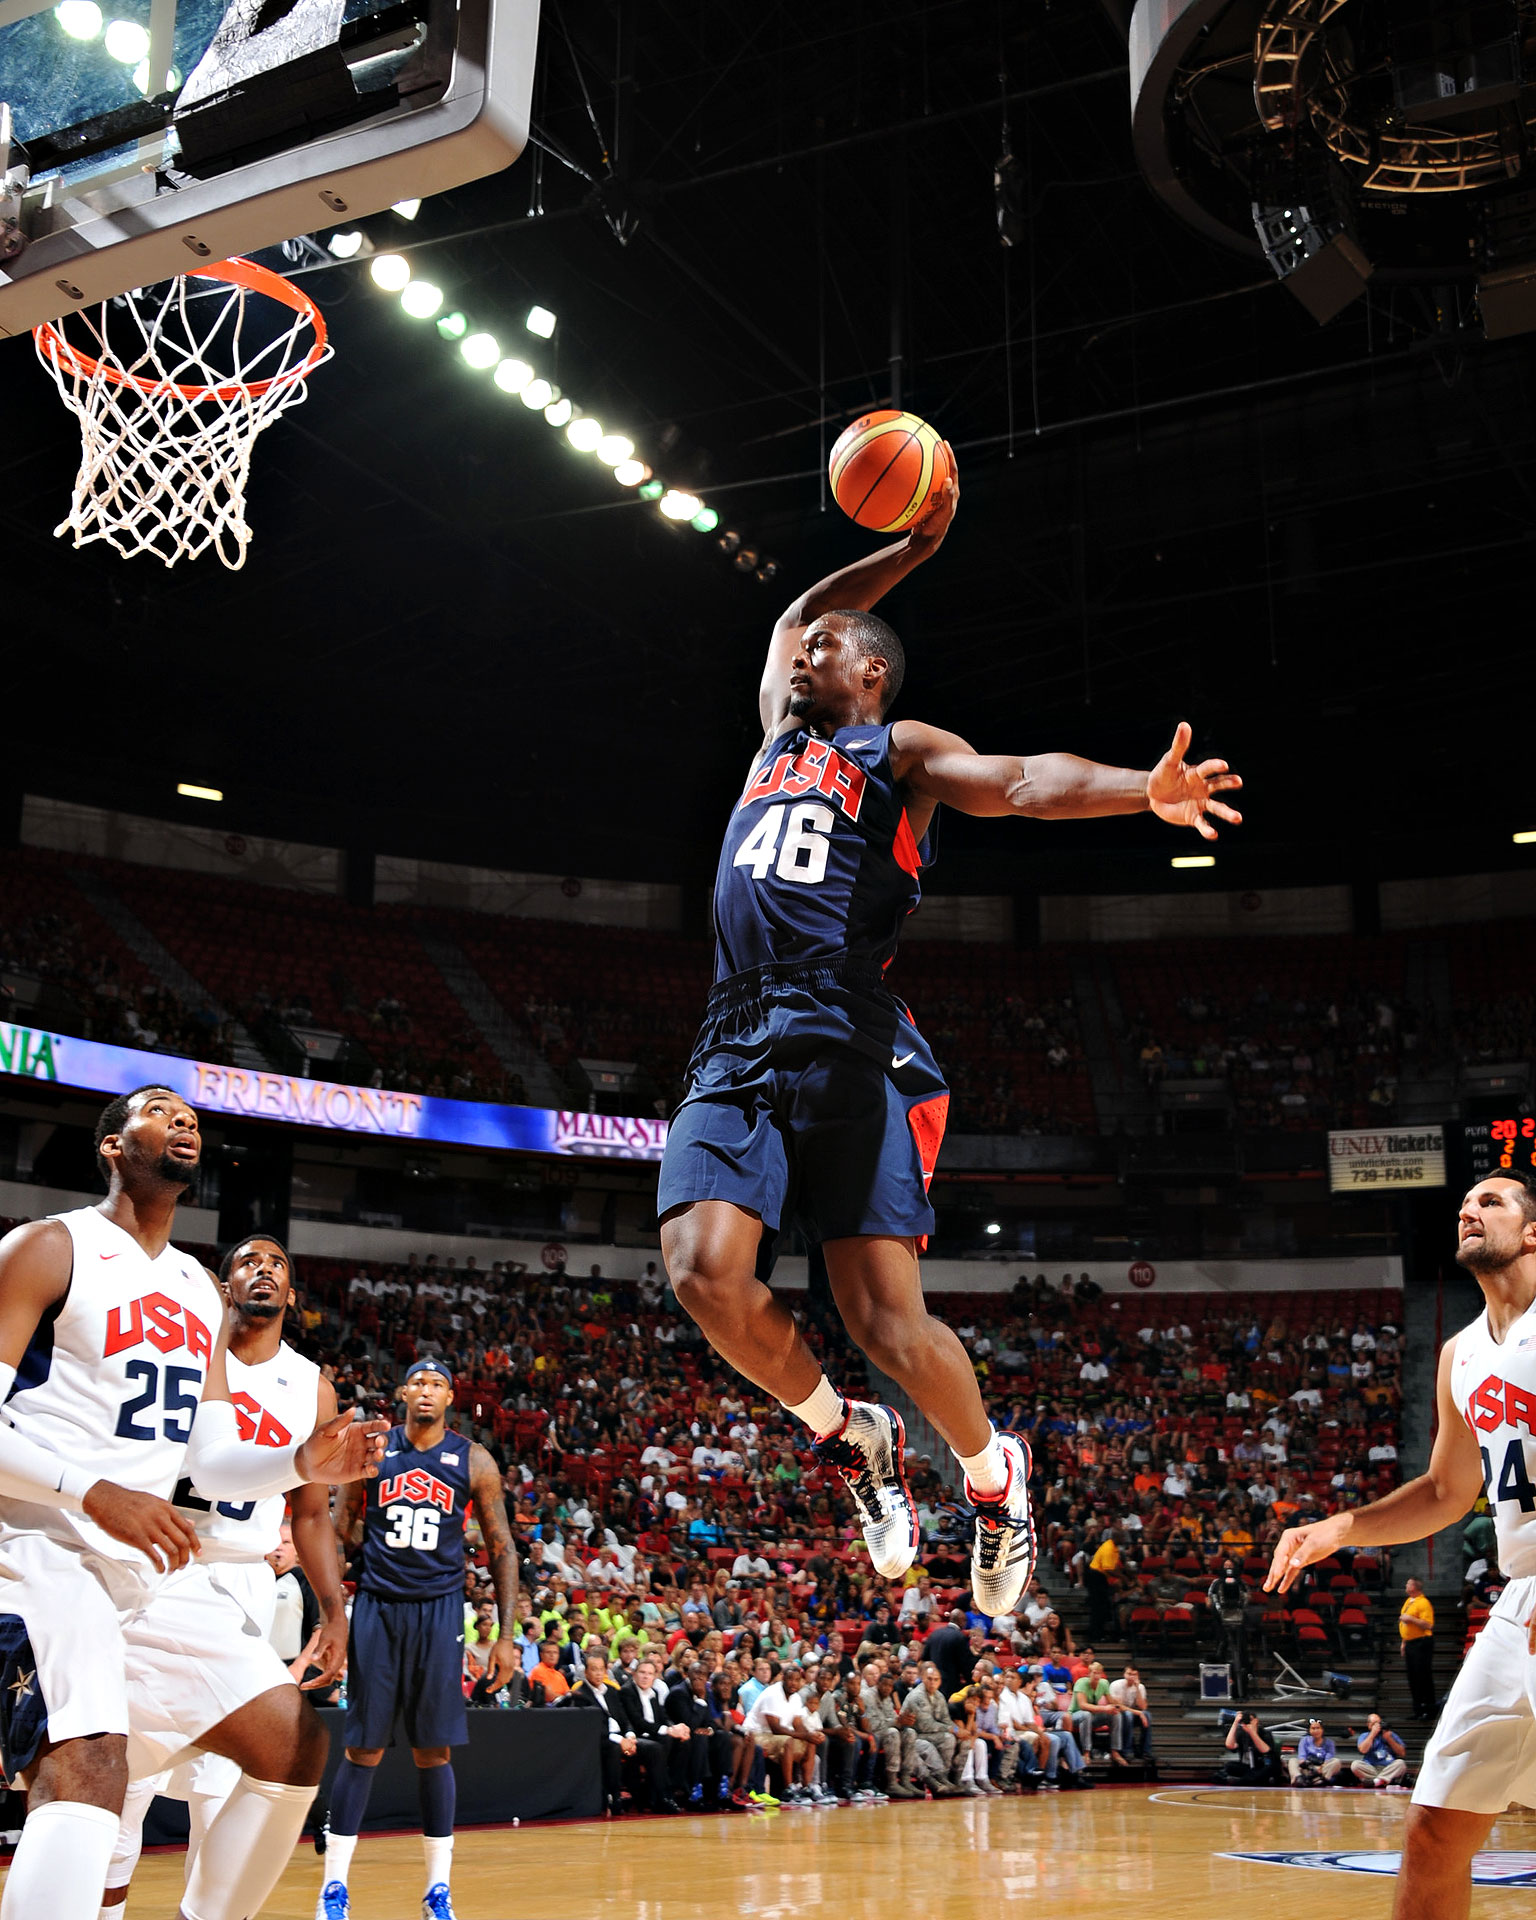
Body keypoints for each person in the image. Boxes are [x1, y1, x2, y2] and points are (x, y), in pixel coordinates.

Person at [655, 478, 1242, 1616]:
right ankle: (850, 1436)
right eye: (807, 644)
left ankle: (991, 1476)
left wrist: (1141, 792)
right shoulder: (779, 732)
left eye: (830, 646)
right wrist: (912, 544)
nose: (806, 645)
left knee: (883, 1317)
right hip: (735, 1032)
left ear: (871, 672)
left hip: (848, 1029)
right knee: (700, 1273)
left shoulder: (901, 753)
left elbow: (1023, 784)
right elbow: (791, 618)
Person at [0, 1085, 384, 1920]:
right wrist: (93, 1491)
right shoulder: (46, 1246)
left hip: (148, 1561)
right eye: (160, 1109)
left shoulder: (192, 1289)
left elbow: (207, 1459)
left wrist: (298, 1461)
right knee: (92, 1766)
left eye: (193, 1117)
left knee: (294, 1743)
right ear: (112, 1145)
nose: (185, 1121)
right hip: (38, 1544)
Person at [1268, 1170, 1536, 1920]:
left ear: (1534, 1231)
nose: (1469, 1209)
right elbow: (1448, 1493)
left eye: (1491, 1200)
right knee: (1435, 1830)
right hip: (1519, 1603)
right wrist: (1341, 1528)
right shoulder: (1459, 1355)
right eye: (1464, 1203)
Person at [105, 1233, 348, 1911]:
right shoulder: (175, 1355)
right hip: (151, 1566)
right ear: (222, 1285)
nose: (261, 1269)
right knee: (121, 1781)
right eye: (246, 1261)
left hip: (242, 1580)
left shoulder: (310, 1386)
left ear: (291, 1295)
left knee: (232, 1784)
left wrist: (333, 1611)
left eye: (275, 1263)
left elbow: (311, 1516)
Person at [322, 1359, 519, 1920]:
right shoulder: (374, 1450)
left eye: (438, 1385)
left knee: (433, 1750)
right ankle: (334, 1887)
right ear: (404, 1391)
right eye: (419, 1383)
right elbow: (338, 1533)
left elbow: (502, 1549)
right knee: (363, 1747)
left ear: (450, 1397)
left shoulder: (474, 1459)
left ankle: (438, 1890)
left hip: (439, 1613)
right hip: (378, 1610)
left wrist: (505, 1637)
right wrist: (332, 1617)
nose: (427, 1392)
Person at [1398, 1577, 1436, 1720]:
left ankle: (1429, 1709)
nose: (1406, 1585)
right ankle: (1418, 1709)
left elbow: (1428, 1625)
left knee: (1423, 1676)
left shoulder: (1423, 1602)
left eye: (1408, 1583)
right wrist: (1404, 1642)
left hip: (1422, 1642)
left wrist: (1411, 1619)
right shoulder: (1409, 1601)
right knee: (1412, 1677)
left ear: (1414, 1586)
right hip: (1410, 1643)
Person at [1351, 1714, 1408, 1789]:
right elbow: (1363, 1750)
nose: (1377, 1725)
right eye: (1374, 1723)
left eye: (1379, 1723)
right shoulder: (1364, 1735)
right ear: (1368, 1725)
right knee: (1355, 1765)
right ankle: (1383, 1780)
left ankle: (1376, 1781)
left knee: (1401, 1763)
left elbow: (1402, 1753)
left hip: (1388, 1767)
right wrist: (1373, 1734)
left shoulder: (1391, 1734)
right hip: (1371, 1768)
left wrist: (1389, 1739)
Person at [1222, 1711, 1278, 1783]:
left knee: (1270, 1769)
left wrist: (1252, 1732)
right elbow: (1230, 1745)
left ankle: (1242, 1780)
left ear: (1256, 1721)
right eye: (1245, 1721)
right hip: (1247, 1767)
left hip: (1262, 1765)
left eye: (1249, 1720)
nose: (1247, 1723)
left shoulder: (1265, 1733)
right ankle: (1251, 1779)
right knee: (1229, 1766)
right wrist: (1235, 1723)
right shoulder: (1241, 1733)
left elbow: (1265, 1750)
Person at [1288, 1718, 1343, 1786]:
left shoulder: (1330, 1743)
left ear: (1322, 1730)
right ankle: (1299, 1779)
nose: (1316, 1731)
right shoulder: (1304, 1741)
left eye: (1318, 1728)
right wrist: (1310, 1767)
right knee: (1292, 1760)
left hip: (1321, 1770)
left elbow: (1328, 1760)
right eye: (1313, 1728)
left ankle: (1323, 1781)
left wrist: (1320, 1769)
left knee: (1336, 1761)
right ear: (1309, 1730)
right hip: (1307, 1768)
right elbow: (1302, 1759)